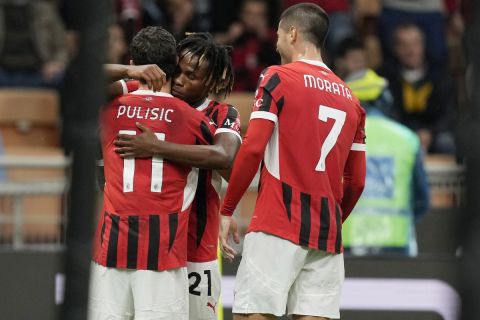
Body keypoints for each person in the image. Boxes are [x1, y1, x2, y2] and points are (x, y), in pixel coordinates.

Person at [219, 3, 366, 319]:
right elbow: (356, 182)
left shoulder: (277, 77)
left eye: (279, 36)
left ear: (293, 33)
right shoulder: (352, 99)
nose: (276, 44)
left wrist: (227, 208)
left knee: (252, 314)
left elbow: (253, 147)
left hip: (278, 221)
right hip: (327, 233)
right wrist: (333, 221)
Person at [107, 32, 242, 320]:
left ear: (213, 82)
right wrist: (130, 69)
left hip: (195, 245)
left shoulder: (222, 114)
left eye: (191, 75)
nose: (179, 79)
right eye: (177, 70)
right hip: (151, 244)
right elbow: (85, 81)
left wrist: (156, 147)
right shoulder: (141, 91)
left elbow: (226, 158)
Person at [88, 26, 215, 320]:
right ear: (175, 67)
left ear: (133, 64)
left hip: (111, 250)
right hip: (164, 254)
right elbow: (227, 164)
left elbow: (77, 80)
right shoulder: (195, 120)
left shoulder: (109, 109)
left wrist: (127, 76)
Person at [335, 37, 430, 256]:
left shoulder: (335, 137)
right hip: (396, 247)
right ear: (384, 98)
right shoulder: (408, 139)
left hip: (345, 245)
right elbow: (421, 199)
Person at [378, 22, 456, 154]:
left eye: (415, 44)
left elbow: (449, 113)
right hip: (400, 134)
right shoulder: (385, 78)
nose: (411, 51)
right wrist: (410, 134)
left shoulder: (440, 76)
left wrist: (430, 132)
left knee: (446, 141)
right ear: (395, 49)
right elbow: (386, 114)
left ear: (423, 46)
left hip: (433, 135)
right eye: (404, 45)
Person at [0, 0, 68, 88]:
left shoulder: (45, 10)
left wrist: (56, 63)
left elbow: (61, 46)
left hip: (38, 72)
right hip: (3, 71)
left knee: (56, 76)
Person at [215, 0, 279, 91]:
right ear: (241, 14)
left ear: (266, 18)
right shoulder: (234, 37)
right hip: (234, 95)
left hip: (264, 95)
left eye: (258, 15)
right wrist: (229, 38)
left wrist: (266, 40)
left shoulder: (273, 39)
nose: (253, 19)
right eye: (249, 14)